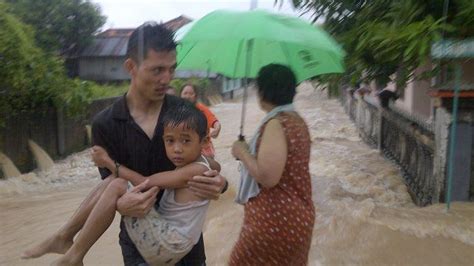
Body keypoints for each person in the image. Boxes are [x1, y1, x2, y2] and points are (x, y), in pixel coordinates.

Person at [22, 22, 227, 265]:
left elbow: (207, 161)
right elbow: (108, 189)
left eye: (171, 69)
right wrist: (121, 204)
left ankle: (66, 241)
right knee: (114, 182)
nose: (166, 78)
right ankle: (66, 240)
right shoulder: (105, 124)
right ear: (131, 67)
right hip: (140, 247)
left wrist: (220, 183)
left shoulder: (184, 113)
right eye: (157, 70)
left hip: (187, 250)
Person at [52, 102, 216, 266]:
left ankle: (73, 254)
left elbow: (144, 182)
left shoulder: (194, 170)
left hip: (171, 245)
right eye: (170, 141)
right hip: (171, 242)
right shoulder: (194, 164)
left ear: (204, 142)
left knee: (118, 185)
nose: (177, 149)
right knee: (113, 184)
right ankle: (67, 239)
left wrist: (108, 162)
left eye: (186, 141)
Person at [230, 64, 315, 265]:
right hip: (297, 218)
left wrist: (242, 152)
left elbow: (268, 177)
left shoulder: (277, 123)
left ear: (262, 91)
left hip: (275, 221)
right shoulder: (297, 121)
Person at [181, 84, 221, 158]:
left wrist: (217, 129)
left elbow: (214, 121)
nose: (187, 96)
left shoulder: (201, 109)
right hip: (185, 148)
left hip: (203, 148)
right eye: (185, 93)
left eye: (191, 94)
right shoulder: (177, 110)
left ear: (195, 96)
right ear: (180, 95)